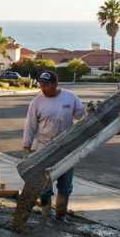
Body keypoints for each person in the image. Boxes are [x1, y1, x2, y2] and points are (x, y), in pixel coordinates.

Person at [22, 71, 86, 219]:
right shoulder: (37, 102)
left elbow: (81, 115)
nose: (43, 89)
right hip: (43, 149)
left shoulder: (70, 98)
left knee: (65, 186)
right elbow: (30, 125)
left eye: (46, 85)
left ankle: (60, 216)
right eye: (41, 85)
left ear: (55, 84)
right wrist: (26, 147)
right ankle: (45, 216)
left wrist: (90, 110)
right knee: (44, 187)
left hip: (66, 149)